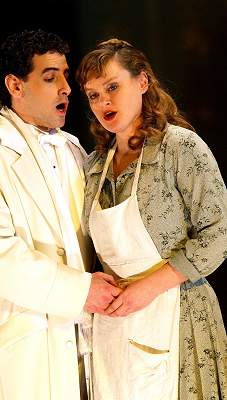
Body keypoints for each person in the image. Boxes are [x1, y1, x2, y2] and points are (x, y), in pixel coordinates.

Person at [0, 29, 121, 400]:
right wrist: (81, 291)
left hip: (86, 341)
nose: (66, 87)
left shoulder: (75, 151)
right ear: (15, 85)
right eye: (50, 77)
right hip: (25, 348)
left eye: (64, 75)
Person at [76, 38, 227, 400]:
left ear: (142, 83)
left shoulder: (180, 147)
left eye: (113, 87)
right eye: (94, 95)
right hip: (115, 321)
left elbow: (219, 234)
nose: (104, 102)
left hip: (178, 313)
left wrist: (149, 286)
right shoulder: (94, 166)